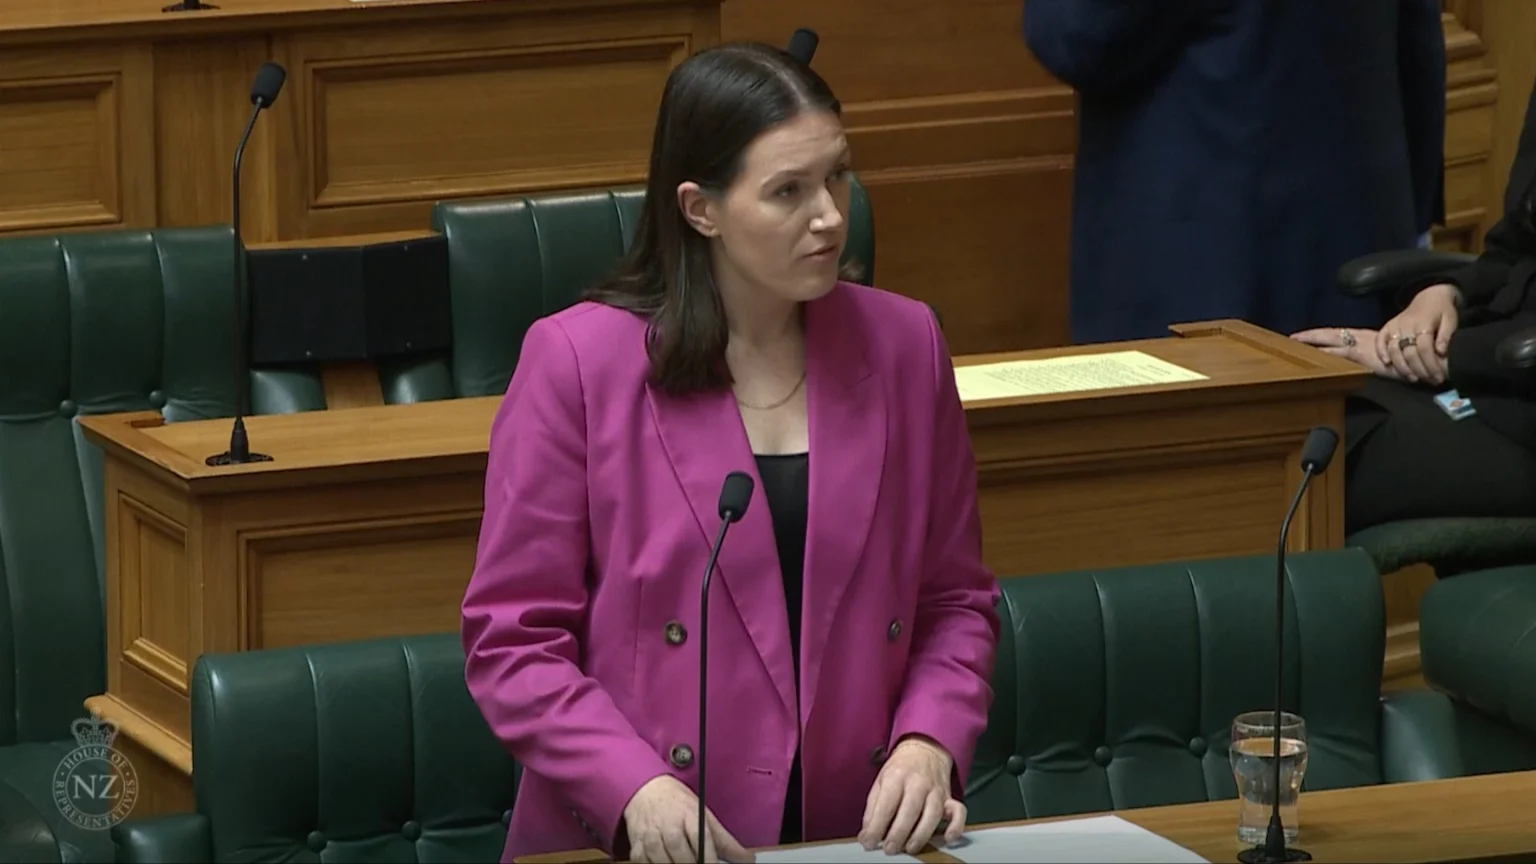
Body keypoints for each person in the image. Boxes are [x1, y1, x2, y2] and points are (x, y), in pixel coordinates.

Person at [460, 42, 1001, 864]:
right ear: (699, 208)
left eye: (838, 177)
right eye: (788, 191)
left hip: (849, 838)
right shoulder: (579, 363)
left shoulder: (904, 344)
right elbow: (512, 640)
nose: (828, 214)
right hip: (640, 841)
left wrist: (929, 740)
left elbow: (956, 600)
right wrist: (631, 785)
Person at [1021, 0, 1446, 344]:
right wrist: (1414, 234)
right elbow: (1419, 36)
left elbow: (1073, 35)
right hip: (1358, 248)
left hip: (1204, 274)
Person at [1291, 76, 1536, 535]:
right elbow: (1513, 250)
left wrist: (1442, 356)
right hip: (1484, 374)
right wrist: (1444, 293)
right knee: (1283, 420)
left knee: (1309, 463)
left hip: (1519, 412)